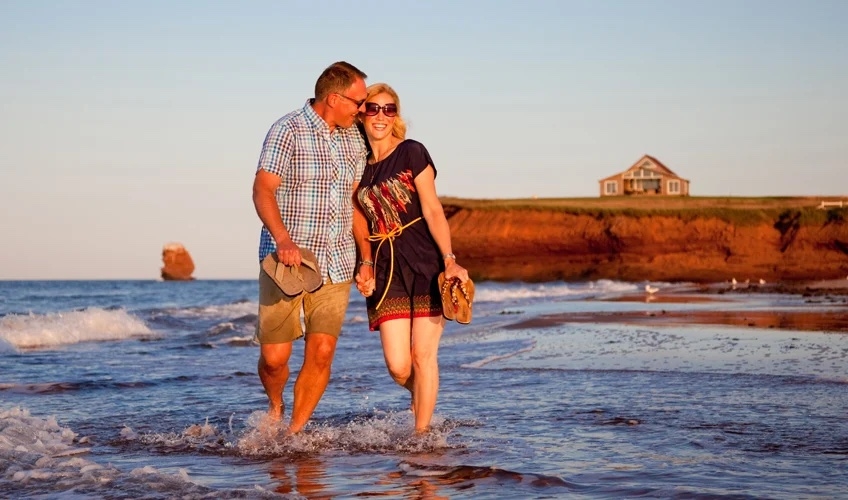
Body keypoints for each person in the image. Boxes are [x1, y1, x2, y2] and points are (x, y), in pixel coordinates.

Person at [252, 61, 368, 434]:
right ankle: (275, 403)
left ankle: (294, 433)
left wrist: (366, 258)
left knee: (321, 351)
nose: (362, 110)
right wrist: (283, 239)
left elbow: (354, 202)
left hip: (338, 262)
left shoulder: (353, 138)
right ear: (334, 98)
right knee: (274, 358)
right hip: (287, 261)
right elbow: (263, 189)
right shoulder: (287, 129)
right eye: (358, 102)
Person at [352, 83, 470, 433]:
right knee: (399, 366)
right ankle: (424, 399)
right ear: (362, 113)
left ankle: (422, 437)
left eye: (389, 110)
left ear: (396, 116)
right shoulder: (358, 166)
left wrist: (450, 259)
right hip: (387, 269)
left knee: (423, 356)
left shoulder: (412, 152)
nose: (381, 116)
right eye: (373, 108)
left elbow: (433, 209)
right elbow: (358, 219)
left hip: (424, 261)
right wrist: (366, 262)